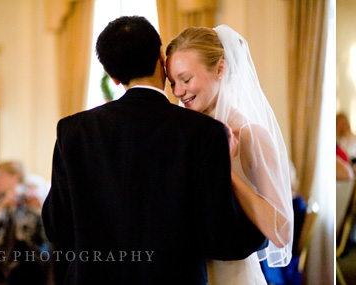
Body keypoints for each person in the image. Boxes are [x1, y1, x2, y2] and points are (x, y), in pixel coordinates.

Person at [42, 16, 265, 284]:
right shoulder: (204, 132)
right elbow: (221, 239)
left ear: (113, 78)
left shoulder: (72, 131)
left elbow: (56, 226)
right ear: (162, 57)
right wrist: (261, 231)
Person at [165, 25, 294, 284]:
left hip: (231, 275)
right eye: (172, 83)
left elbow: (281, 232)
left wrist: (224, 170)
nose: (178, 92)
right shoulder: (180, 135)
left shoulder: (250, 136)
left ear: (220, 69)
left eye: (186, 79)